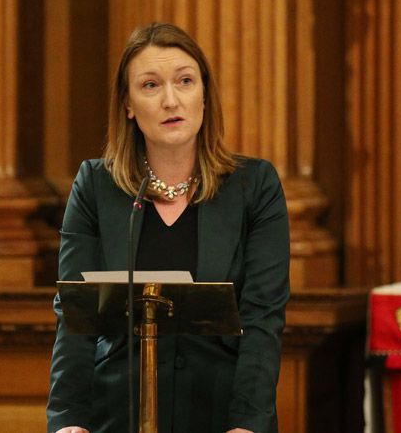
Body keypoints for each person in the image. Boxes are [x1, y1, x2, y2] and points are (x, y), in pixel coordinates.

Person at [47, 22, 290, 433]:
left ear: (205, 95)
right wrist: (69, 419)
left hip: (222, 413)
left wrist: (248, 423)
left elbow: (263, 317)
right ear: (127, 104)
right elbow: (76, 313)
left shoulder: (255, 186)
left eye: (185, 81)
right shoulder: (95, 186)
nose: (171, 100)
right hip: (116, 412)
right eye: (150, 85)